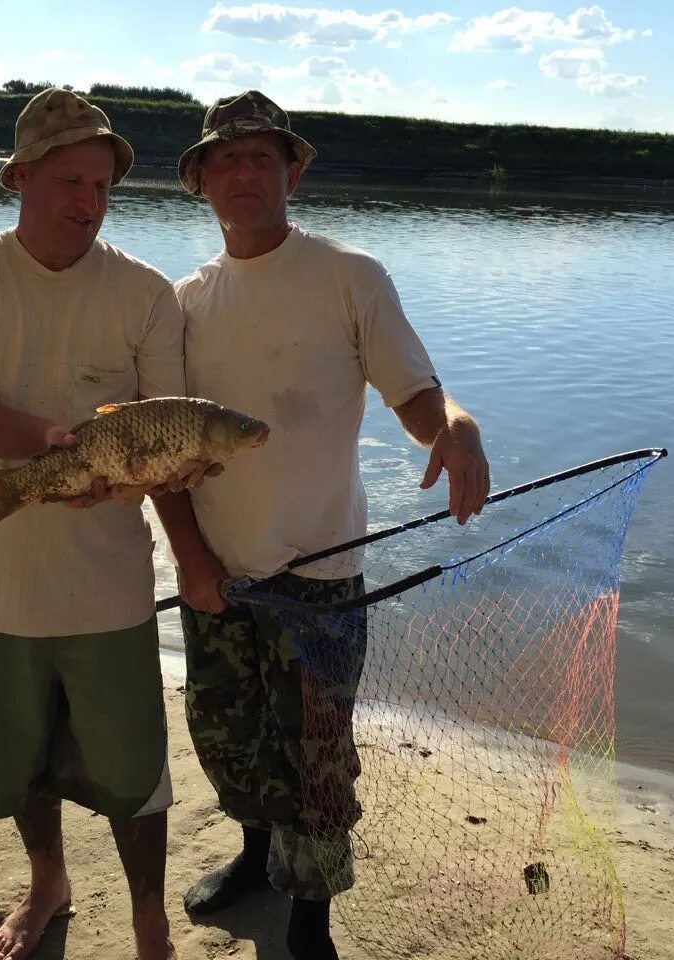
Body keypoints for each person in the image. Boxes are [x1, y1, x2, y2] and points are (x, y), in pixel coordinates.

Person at [152, 90, 491, 960]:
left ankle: (312, 918)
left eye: (262, 158)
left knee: (320, 758)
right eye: (226, 160)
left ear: (291, 175)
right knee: (230, 738)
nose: (244, 173)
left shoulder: (351, 275)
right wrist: (189, 559)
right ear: (200, 182)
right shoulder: (182, 302)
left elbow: (416, 397)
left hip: (324, 575)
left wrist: (457, 426)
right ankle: (256, 858)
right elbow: (162, 449)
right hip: (218, 572)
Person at [0, 87, 186, 960]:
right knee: (14, 761)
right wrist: (63, 448)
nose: (88, 202)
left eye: (101, 185)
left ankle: (149, 921)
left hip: (109, 584)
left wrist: (172, 502)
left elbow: (167, 432)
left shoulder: (147, 293)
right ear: (20, 177)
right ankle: (48, 882)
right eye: (70, 181)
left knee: (135, 771)